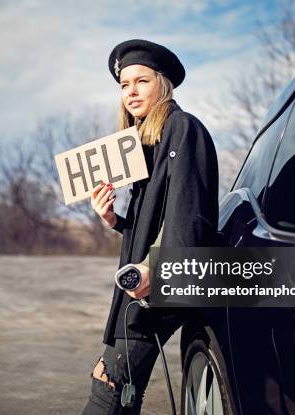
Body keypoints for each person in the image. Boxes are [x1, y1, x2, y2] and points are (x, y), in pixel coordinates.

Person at [81, 39, 219, 414]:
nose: (131, 92)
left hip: (161, 284)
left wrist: (159, 270)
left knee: (108, 387)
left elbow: (189, 214)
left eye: (141, 81)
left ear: (163, 83)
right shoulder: (148, 145)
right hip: (148, 281)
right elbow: (152, 224)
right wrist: (115, 221)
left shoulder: (183, 128)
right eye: (124, 86)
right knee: (124, 392)